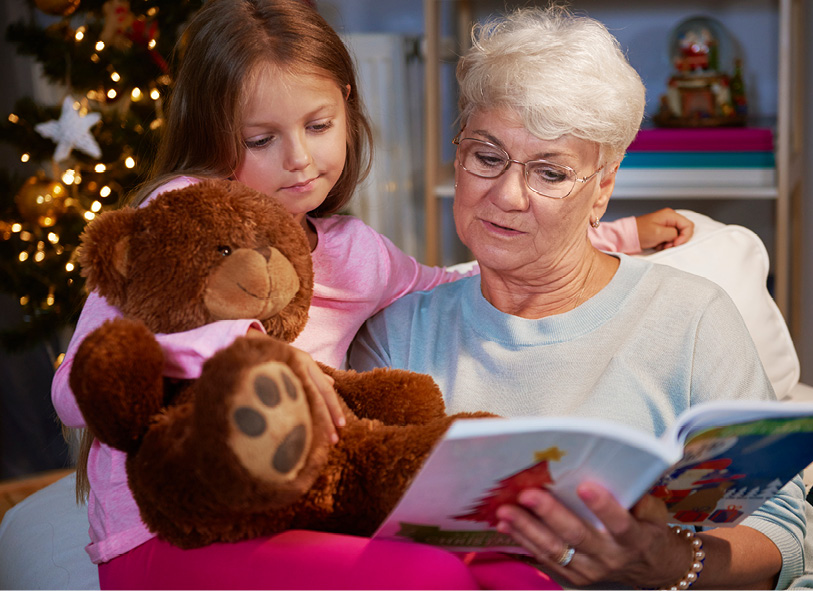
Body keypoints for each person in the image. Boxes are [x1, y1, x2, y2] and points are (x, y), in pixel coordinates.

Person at [49, 0, 692, 588]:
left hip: (299, 509)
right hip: (170, 531)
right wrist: (258, 364)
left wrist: (614, 234)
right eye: (260, 140)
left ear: (348, 107)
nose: (299, 158)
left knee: (514, 566)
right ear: (211, 132)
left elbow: (466, 276)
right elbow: (75, 386)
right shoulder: (177, 217)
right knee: (428, 576)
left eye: (319, 124)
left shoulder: (354, 251)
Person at [348, 6, 810, 590]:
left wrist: (669, 562)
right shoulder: (396, 333)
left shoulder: (691, 317)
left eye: (551, 173)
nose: (509, 195)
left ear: (603, 189)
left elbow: (779, 533)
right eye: (487, 157)